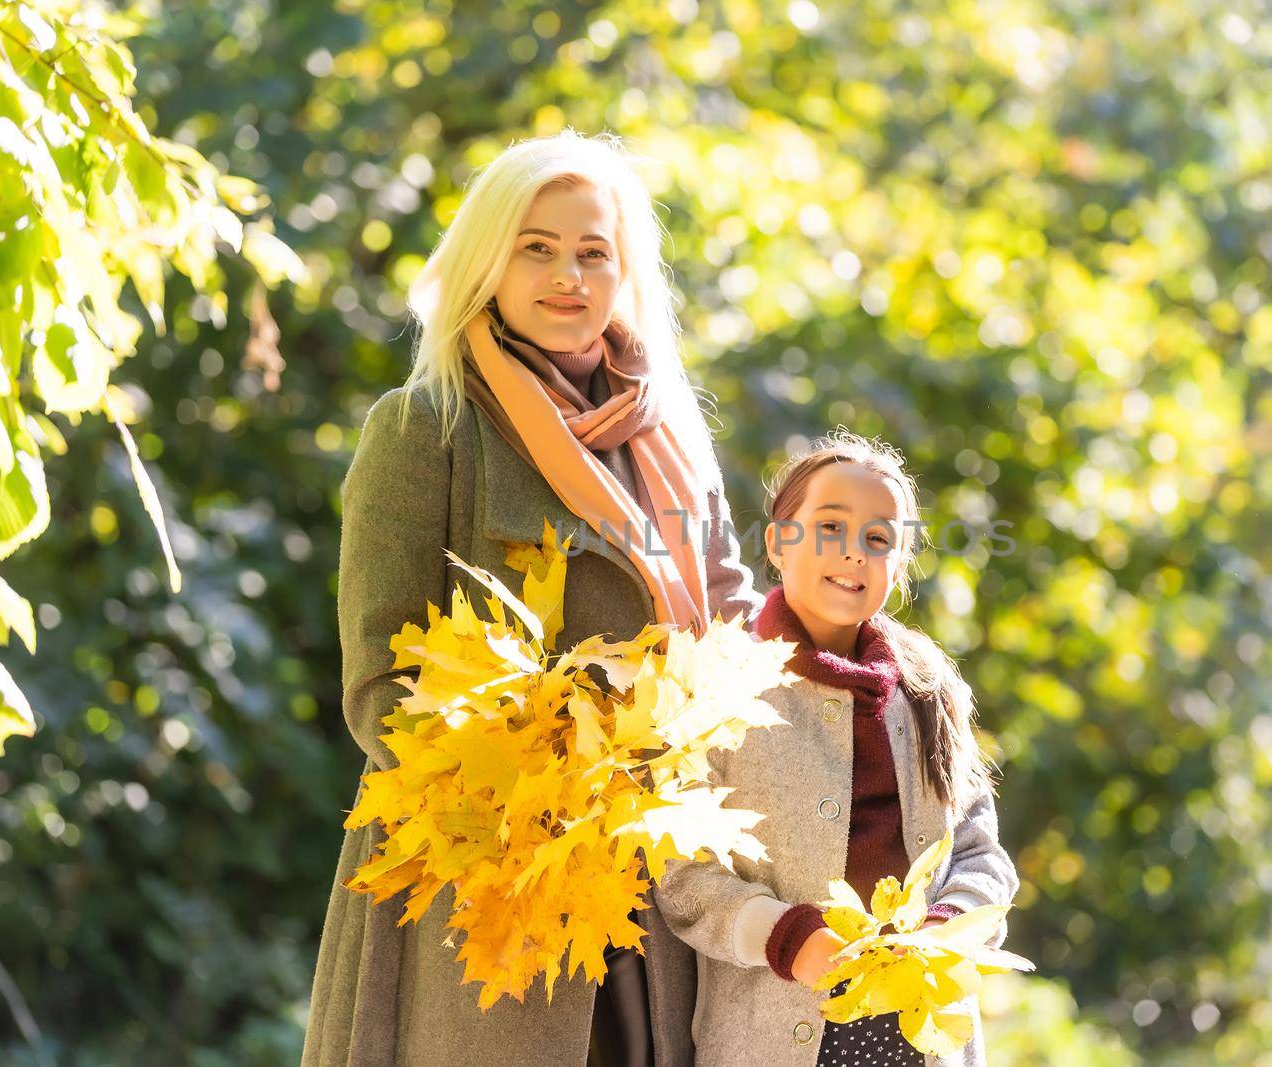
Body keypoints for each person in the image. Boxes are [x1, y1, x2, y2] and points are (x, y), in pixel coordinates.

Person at [301, 129, 764, 1067]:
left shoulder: (669, 437)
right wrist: (535, 782)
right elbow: (377, 678)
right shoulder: (424, 427)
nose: (568, 275)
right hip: (482, 885)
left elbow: (738, 629)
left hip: (658, 874)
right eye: (537, 247)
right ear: (489, 262)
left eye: (594, 251)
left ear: (624, 270)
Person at [654, 431, 1020, 1066]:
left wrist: (947, 927)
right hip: (770, 1027)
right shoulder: (717, 685)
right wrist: (786, 937)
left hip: (918, 1034)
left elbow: (979, 849)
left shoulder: (927, 690)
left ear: (897, 568)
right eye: (830, 527)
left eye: (879, 540)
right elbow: (683, 874)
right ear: (777, 541)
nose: (854, 553)